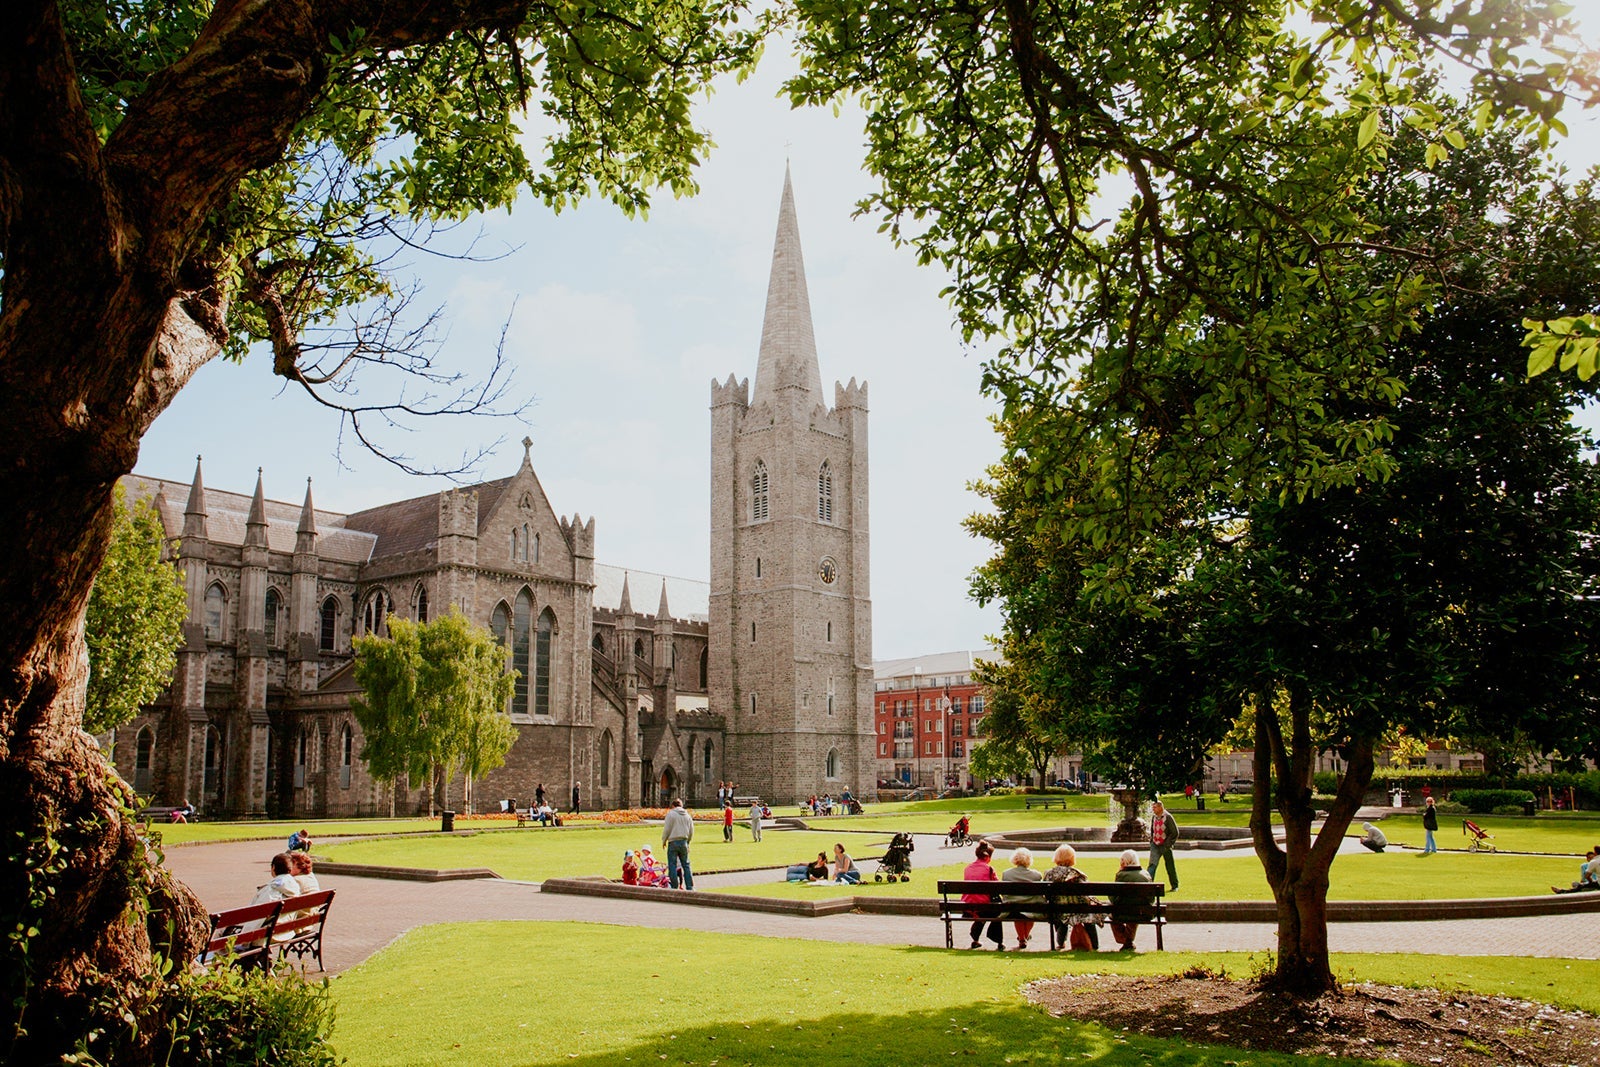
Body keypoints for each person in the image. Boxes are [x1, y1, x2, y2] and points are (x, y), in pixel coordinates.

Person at [1043, 843, 1099, 950]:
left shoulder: (1048, 874)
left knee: (1062, 917)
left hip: (1056, 909)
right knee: (1088, 915)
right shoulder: (1076, 874)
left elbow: (1047, 895)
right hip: (1078, 909)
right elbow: (1085, 893)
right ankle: (1095, 945)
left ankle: (1060, 942)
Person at [961, 841, 1004, 950]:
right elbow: (997, 886)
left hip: (968, 906)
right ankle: (998, 940)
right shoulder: (989, 869)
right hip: (984, 906)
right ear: (988, 857)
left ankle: (975, 938)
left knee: (983, 910)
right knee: (996, 910)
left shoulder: (968, 868)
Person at [1001, 846, 1044, 950]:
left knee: (1018, 912)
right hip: (1032, 907)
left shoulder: (1006, 874)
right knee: (1030, 912)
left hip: (1013, 907)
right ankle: (1024, 937)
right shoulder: (1036, 875)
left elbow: (1003, 893)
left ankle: (1022, 938)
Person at [1110, 849, 1153, 951]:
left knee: (1113, 913)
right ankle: (1128, 942)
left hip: (1122, 912)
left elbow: (1114, 899)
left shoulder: (1120, 875)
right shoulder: (1145, 875)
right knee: (1134, 910)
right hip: (1143, 913)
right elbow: (1151, 899)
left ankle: (1126, 941)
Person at [662, 797, 695, 890]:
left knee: (672, 864)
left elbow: (667, 829)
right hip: (684, 841)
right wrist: (688, 842)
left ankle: (674, 886)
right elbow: (691, 830)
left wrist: (664, 840)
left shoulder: (671, 814)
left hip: (673, 841)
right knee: (686, 864)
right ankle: (690, 886)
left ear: (673, 806)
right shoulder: (687, 815)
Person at [1146, 800, 1179, 891]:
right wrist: (1152, 840)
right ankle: (1147, 885)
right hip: (1155, 845)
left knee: (1170, 866)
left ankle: (1175, 885)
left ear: (1160, 807)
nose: (1153, 809)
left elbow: (1175, 832)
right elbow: (1152, 829)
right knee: (1152, 865)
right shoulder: (1154, 817)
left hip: (1165, 846)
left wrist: (1167, 844)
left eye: (1155, 807)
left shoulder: (1168, 817)